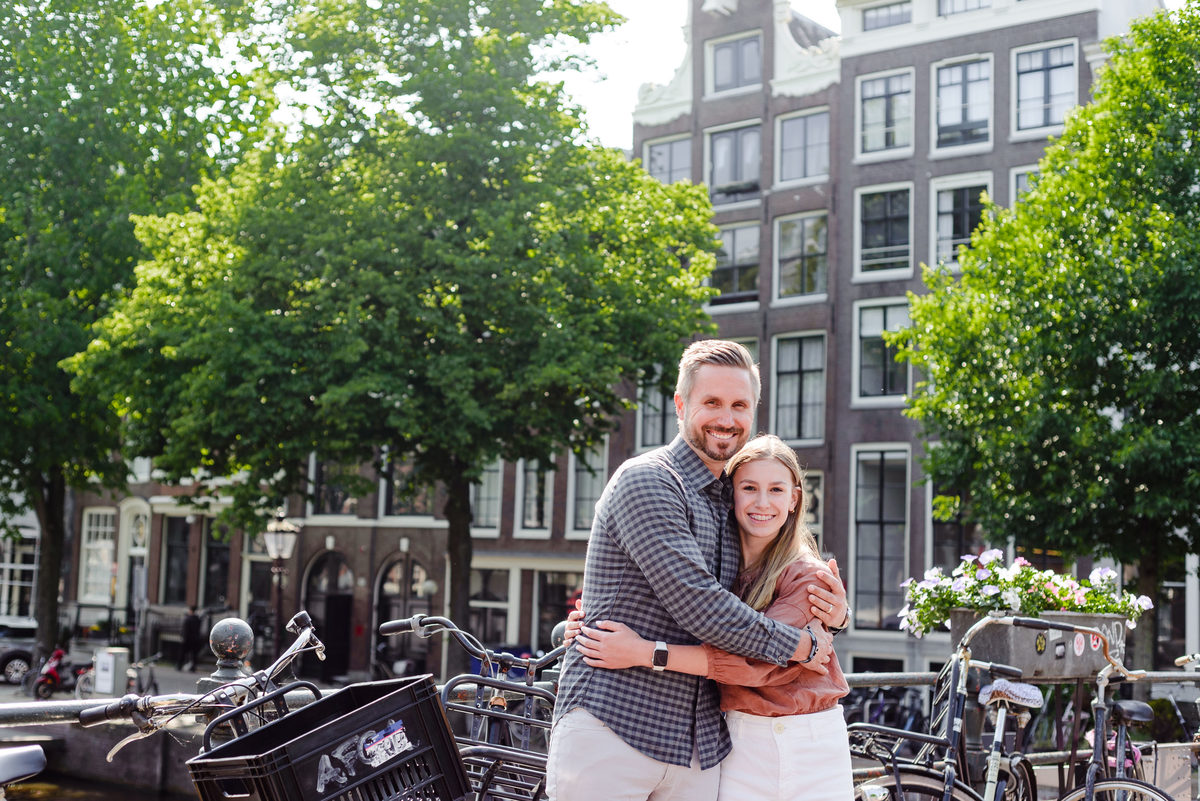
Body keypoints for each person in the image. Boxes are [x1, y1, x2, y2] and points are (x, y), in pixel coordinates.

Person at [548, 339, 848, 801]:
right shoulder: (648, 480)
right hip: (616, 727)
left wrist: (838, 614)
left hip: (699, 751)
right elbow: (701, 605)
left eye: (739, 405)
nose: (727, 419)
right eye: (712, 402)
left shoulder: (733, 499)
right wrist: (801, 645)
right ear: (680, 404)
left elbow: (772, 584)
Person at [179, 605, 203, 671]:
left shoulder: (188, 619)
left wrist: (183, 637)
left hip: (187, 639)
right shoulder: (198, 619)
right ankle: (193, 667)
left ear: (190, 611)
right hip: (195, 639)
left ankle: (179, 666)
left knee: (183, 653)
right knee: (194, 655)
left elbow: (185, 630)